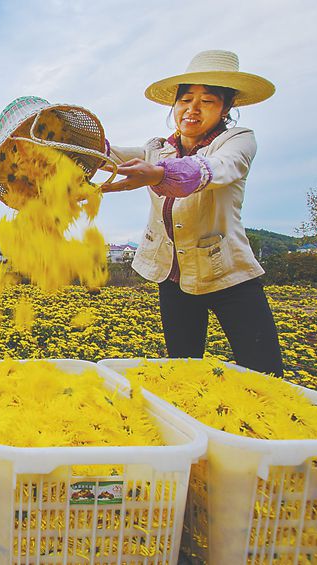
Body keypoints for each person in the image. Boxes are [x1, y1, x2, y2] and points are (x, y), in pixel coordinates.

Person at [100, 50, 283, 376]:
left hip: (228, 273)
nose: (192, 109)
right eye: (185, 99)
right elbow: (108, 156)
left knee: (265, 372)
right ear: (175, 105)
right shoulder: (158, 148)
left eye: (208, 101)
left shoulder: (237, 141)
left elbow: (218, 168)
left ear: (227, 108)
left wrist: (159, 175)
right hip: (174, 277)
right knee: (184, 370)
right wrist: (73, 145)